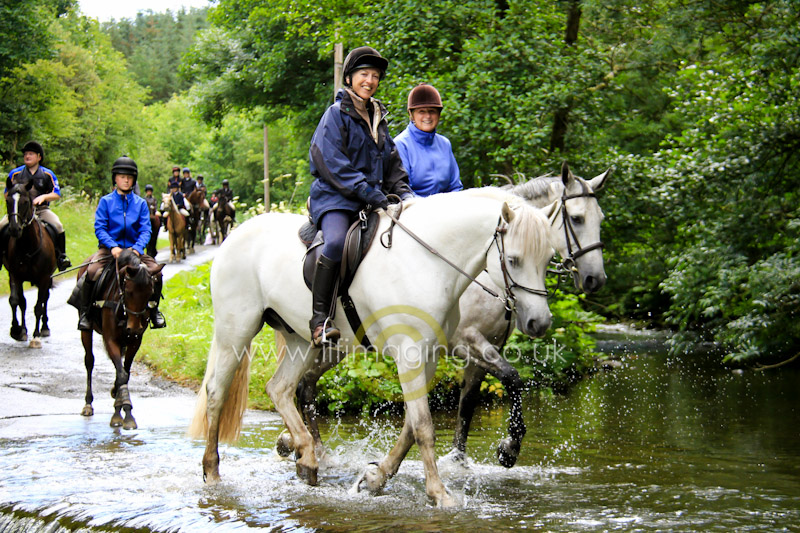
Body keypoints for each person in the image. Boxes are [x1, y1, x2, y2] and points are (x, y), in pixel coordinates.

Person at [307, 46, 413, 346]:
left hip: (370, 200)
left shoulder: (379, 117)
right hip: (336, 199)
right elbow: (330, 161)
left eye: (375, 76)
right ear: (350, 77)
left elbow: (392, 163)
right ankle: (319, 321)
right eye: (364, 74)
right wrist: (368, 192)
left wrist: (405, 195)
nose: (370, 80)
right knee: (337, 243)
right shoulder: (335, 115)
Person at [77, 156, 166, 330]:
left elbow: (146, 229)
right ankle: (86, 313)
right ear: (115, 178)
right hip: (110, 251)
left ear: (134, 180)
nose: (126, 179)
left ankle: (154, 311)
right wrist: (113, 247)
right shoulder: (105, 201)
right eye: (121, 176)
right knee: (92, 271)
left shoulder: (140, 204)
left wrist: (138, 248)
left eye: (129, 177)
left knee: (157, 274)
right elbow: (100, 228)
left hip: (134, 250)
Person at [1, 140, 72, 270]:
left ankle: (62, 257)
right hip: (19, 211)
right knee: (1, 226)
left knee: (58, 225)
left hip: (41, 210)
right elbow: (7, 193)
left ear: (39, 157)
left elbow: (56, 194)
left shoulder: (47, 174)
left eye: (31, 154)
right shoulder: (15, 174)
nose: (27, 156)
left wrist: (43, 197)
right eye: (26, 154)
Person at [394, 84, 462, 197]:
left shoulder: (444, 144)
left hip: (447, 208)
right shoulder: (400, 144)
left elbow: (455, 186)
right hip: (414, 208)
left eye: (432, 111)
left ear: (439, 114)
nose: (428, 116)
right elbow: (403, 190)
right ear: (411, 114)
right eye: (421, 111)